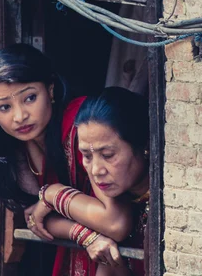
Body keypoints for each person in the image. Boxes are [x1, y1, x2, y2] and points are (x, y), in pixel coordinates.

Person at [0, 44, 134, 276]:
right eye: (4, 107)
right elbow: (36, 220)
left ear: (51, 90)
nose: (20, 116)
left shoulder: (82, 126)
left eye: (30, 98)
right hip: (83, 256)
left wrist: (52, 194)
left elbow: (116, 223)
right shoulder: (10, 152)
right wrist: (83, 234)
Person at [27, 87, 150, 275]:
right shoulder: (115, 201)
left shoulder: (174, 204)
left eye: (108, 155)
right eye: (86, 155)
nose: (95, 170)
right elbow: (42, 222)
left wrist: (52, 193)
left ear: (144, 146)